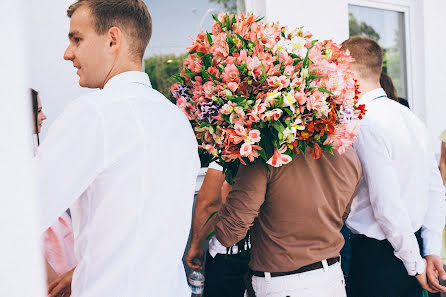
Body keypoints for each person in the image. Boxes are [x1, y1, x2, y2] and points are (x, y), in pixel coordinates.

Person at [34, 1, 200, 297]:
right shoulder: (176, 119)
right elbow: (146, 229)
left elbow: (20, 212)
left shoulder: (93, 114)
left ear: (113, 40)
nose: (67, 53)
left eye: (77, 39)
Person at [342, 36, 446, 297]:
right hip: (411, 249)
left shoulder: (364, 123)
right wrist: (430, 249)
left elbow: (386, 206)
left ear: (348, 69)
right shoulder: (411, 118)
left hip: (377, 259)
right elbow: (436, 189)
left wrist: (415, 263)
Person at [212, 147, 362, 297]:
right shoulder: (347, 153)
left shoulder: (265, 155)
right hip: (331, 279)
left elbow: (228, 234)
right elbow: (340, 217)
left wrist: (230, 191)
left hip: (283, 284)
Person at [31, 89, 77, 286]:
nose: (44, 116)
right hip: (43, 241)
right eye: (38, 110)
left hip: (59, 234)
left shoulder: (35, 150)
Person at [185, 162, 250, 297]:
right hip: (270, 255)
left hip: (231, 255)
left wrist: (196, 245)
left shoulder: (229, 148)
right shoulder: (287, 149)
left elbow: (209, 203)